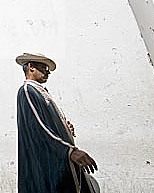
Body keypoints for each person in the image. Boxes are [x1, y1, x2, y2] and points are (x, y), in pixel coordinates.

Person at [16, 53, 98, 193]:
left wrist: (64, 128)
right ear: (31, 67)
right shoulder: (28, 90)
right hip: (46, 163)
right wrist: (69, 151)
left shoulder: (39, 91)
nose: (48, 72)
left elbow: (47, 125)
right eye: (44, 68)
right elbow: (39, 127)